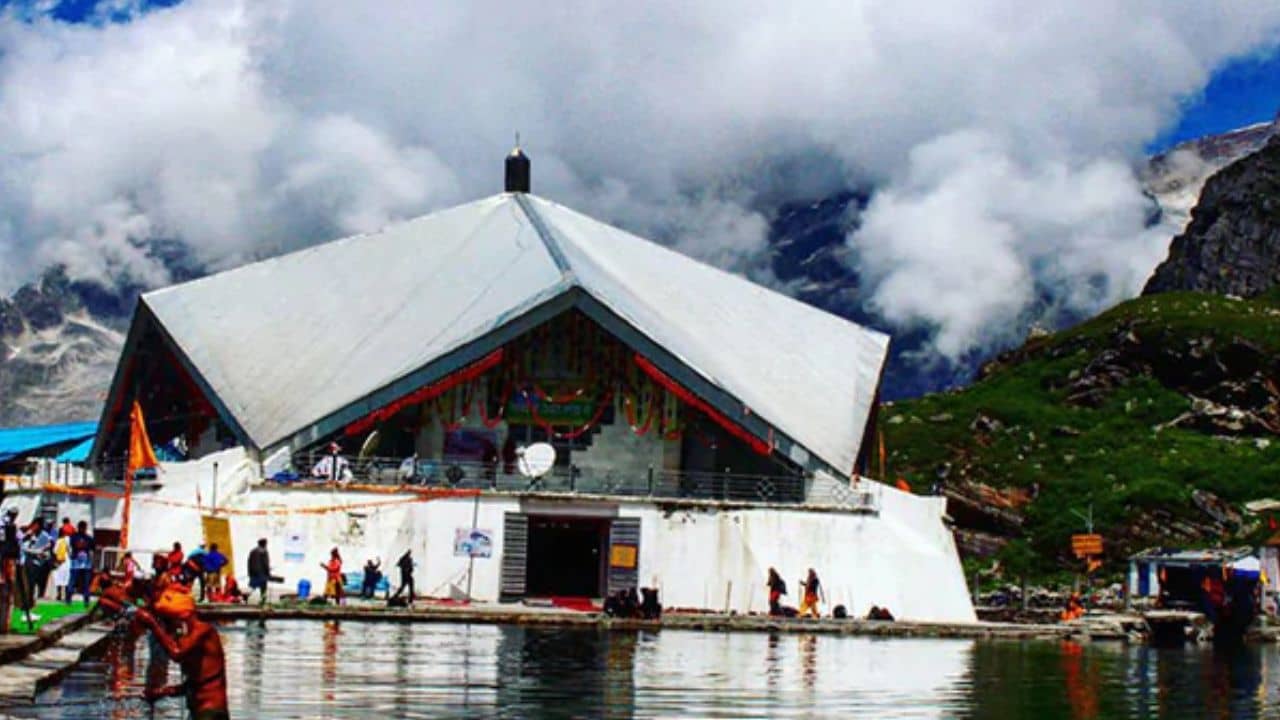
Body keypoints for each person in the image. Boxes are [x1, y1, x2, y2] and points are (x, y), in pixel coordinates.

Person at [135, 583, 230, 720]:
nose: (170, 626)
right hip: (198, 711)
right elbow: (195, 682)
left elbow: (177, 653)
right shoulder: (189, 638)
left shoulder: (203, 630)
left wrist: (153, 624)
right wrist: (161, 692)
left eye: (170, 620)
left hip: (211, 711)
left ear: (181, 617)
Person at [0, 506, 22, 634]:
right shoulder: (3, 525)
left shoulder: (13, 528)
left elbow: (18, 540)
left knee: (8, 594)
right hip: (4, 560)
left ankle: (5, 625)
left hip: (9, 560)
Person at [22, 518, 54, 600]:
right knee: (29, 582)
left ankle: (36, 598)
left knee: (36, 583)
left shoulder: (44, 535)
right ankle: (29, 598)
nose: (33, 527)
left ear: (39, 525)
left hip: (39, 563)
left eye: (35, 525)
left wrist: (43, 550)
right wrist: (27, 536)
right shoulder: (30, 534)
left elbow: (48, 545)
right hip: (29, 561)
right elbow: (22, 544)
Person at [67, 521, 95, 605]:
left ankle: (85, 599)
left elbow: (92, 549)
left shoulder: (87, 538)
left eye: (84, 528)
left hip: (85, 563)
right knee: (74, 580)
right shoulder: (74, 537)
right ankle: (69, 598)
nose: (83, 529)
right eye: (82, 527)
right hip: (77, 562)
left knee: (85, 582)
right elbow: (71, 547)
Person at [247, 538, 271, 606]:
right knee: (263, 588)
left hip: (254, 573)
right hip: (262, 574)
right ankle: (263, 601)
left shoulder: (253, 551)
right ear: (264, 544)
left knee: (253, 587)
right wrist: (268, 572)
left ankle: (247, 599)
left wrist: (249, 572)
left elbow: (249, 562)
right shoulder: (264, 552)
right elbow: (266, 563)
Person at [52, 527, 71, 602]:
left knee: (59, 578)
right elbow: (70, 551)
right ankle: (66, 595)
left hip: (60, 562)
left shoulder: (59, 541)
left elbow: (54, 551)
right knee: (66, 578)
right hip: (67, 561)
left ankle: (59, 594)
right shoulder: (68, 539)